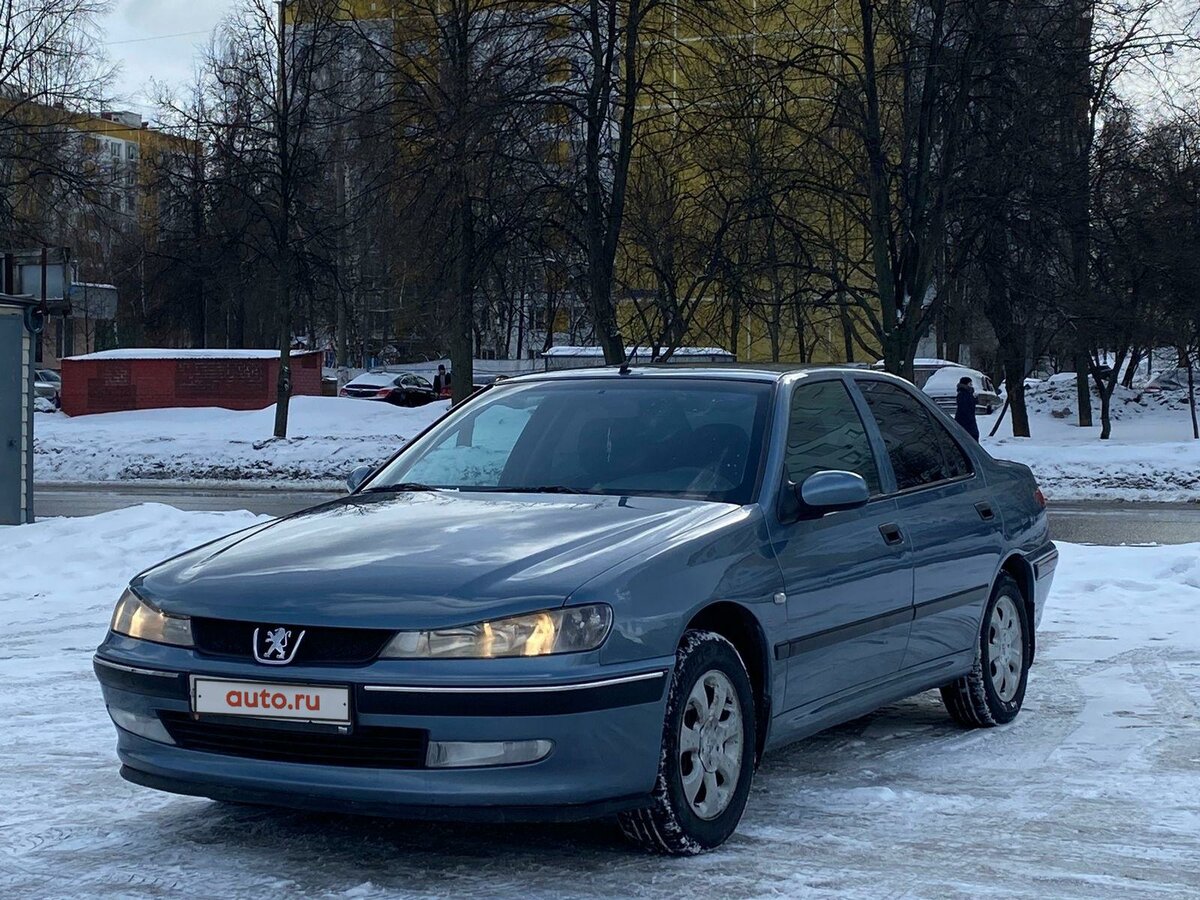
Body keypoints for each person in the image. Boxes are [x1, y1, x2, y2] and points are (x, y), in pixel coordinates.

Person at [955, 376, 980, 441]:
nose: (971, 385)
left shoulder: (967, 393)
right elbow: (965, 407)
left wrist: (975, 399)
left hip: (968, 420)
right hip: (966, 421)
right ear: (966, 384)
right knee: (971, 437)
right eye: (970, 384)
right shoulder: (963, 394)